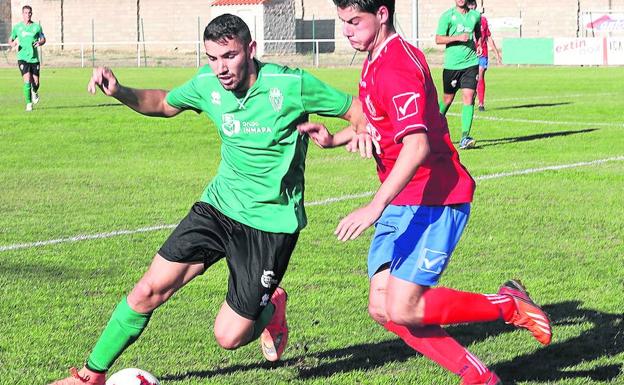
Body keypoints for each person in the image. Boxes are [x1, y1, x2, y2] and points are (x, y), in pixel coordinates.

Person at [48, 13, 368, 385]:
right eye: (213, 58)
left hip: (271, 223)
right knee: (148, 289)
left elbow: (358, 111)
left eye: (229, 56)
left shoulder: (290, 83)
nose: (221, 68)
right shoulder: (207, 83)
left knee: (229, 336)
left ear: (251, 50)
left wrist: (341, 138)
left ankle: (272, 307)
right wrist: (120, 91)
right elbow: (166, 102)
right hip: (218, 207)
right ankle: (90, 375)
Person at [299, 1, 553, 384]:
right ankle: (480, 377)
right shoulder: (373, 58)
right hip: (404, 199)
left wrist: (373, 206)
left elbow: (416, 147)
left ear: (382, 14)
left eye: (355, 21)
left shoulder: (396, 66)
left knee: (404, 306)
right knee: (384, 308)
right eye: (343, 22)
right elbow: (379, 122)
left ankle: (508, 305)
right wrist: (336, 137)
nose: (347, 30)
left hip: (436, 198)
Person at [435, 0, 481, 149]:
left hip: (471, 64)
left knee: (469, 98)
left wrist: (479, 44)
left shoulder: (475, 16)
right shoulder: (447, 16)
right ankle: (432, 126)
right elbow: (438, 39)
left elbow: (478, 33)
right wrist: (457, 37)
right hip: (452, 66)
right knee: (448, 99)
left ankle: (465, 137)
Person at [9, 5, 46, 112]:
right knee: (27, 79)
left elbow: (43, 38)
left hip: (34, 59)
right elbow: (10, 40)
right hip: (22, 58)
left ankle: (35, 91)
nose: (28, 14)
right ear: (23, 14)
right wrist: (13, 44)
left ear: (31, 14)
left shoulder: (37, 27)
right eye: (25, 13)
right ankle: (29, 104)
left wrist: (40, 42)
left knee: (36, 83)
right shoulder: (17, 27)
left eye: (29, 12)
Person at [467, 0, 502, 112]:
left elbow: (488, 38)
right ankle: (471, 97)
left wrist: (496, 53)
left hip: (482, 54)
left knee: (480, 73)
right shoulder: (464, 21)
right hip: (469, 53)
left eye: (473, 4)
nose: (471, 7)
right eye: (469, 4)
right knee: (473, 78)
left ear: (475, 6)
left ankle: (481, 103)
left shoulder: (483, 20)